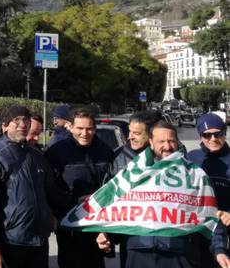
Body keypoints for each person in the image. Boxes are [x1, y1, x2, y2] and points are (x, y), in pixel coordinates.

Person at [97, 121, 230, 268]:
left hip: (180, 254)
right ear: (151, 143)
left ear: (177, 142)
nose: (167, 146)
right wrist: (106, 233)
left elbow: (210, 216)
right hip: (138, 253)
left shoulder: (195, 175)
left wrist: (219, 250)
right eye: (161, 141)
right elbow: (116, 211)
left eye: (171, 141)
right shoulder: (133, 175)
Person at [0, 106, 66, 268]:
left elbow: (52, 194)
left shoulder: (37, 155)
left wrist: (82, 202)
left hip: (40, 241)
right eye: (16, 121)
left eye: (26, 120)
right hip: (10, 242)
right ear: (6, 125)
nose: (22, 124)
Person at [45, 108, 114, 268]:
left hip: (98, 223)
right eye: (80, 128)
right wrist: (63, 207)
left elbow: (113, 185)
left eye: (89, 128)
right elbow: (48, 187)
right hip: (69, 224)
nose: (85, 133)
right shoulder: (57, 151)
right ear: (70, 127)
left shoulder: (105, 151)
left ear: (95, 128)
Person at [102, 110, 161, 267]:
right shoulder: (118, 157)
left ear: (152, 134)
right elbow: (107, 197)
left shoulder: (172, 155)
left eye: (136, 133)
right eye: (129, 132)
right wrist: (106, 233)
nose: (129, 137)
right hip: (131, 240)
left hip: (166, 238)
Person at [186, 114, 230, 234]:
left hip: (226, 225)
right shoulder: (191, 157)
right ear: (200, 136)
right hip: (197, 226)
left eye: (218, 134)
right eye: (207, 135)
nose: (213, 139)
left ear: (224, 133)